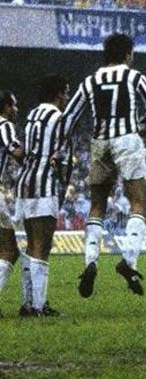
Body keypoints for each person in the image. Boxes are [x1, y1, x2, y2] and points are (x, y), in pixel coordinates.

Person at [63, 33, 146, 297]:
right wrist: (138, 125)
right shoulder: (133, 77)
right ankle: (128, 261)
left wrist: (59, 147)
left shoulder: (90, 81)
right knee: (139, 202)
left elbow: (69, 118)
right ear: (128, 54)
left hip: (99, 142)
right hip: (127, 139)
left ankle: (90, 261)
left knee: (97, 205)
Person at [15, 75, 70, 316]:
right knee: (42, 245)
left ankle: (29, 303)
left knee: (31, 245)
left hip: (25, 183)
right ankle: (38, 306)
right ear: (58, 93)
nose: (67, 97)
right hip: (44, 185)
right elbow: (61, 155)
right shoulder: (59, 118)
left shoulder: (32, 114)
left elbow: (25, 150)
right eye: (66, 92)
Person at [0, 90, 23, 317]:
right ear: (6, 107)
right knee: (10, 249)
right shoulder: (4, 125)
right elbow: (15, 151)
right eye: (14, 105)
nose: (16, 109)